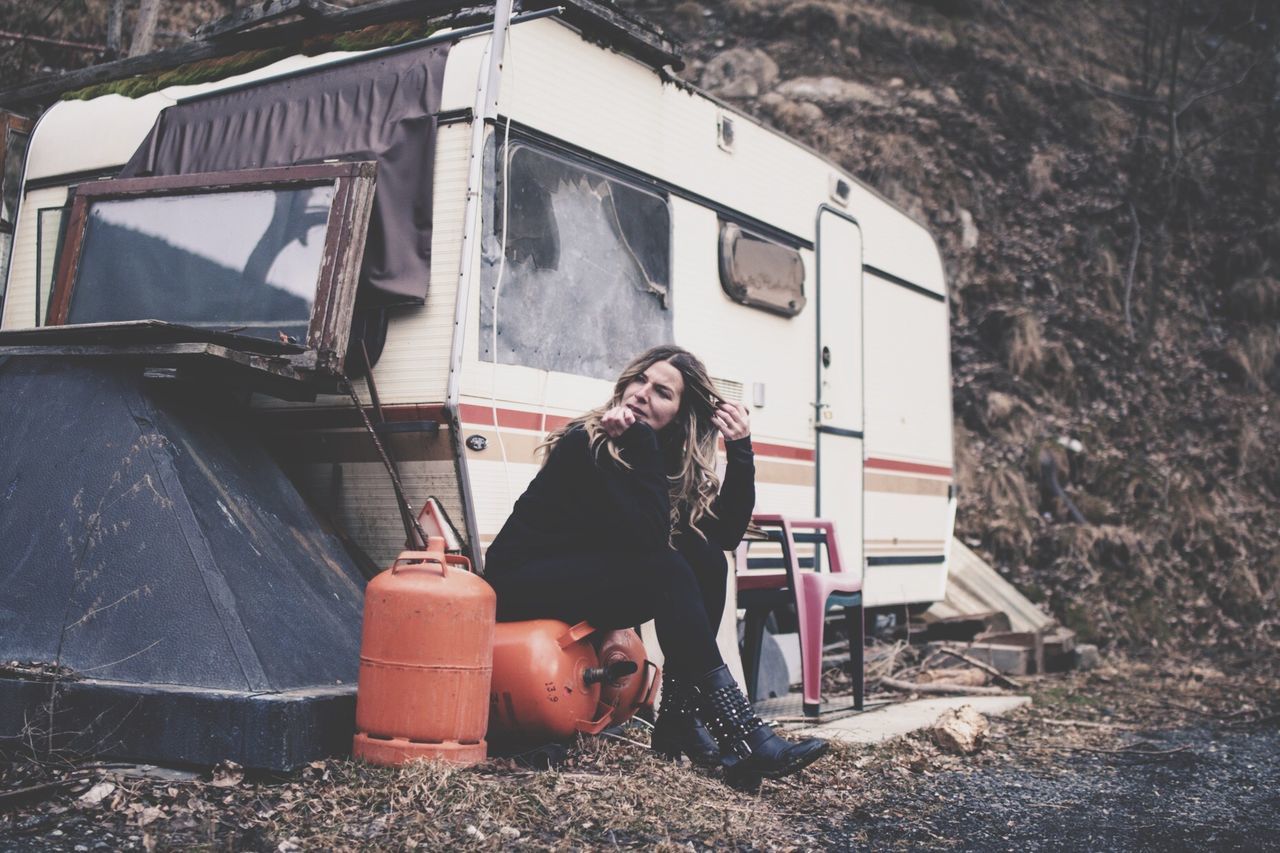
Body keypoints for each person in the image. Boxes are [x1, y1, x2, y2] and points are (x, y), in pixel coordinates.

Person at [484, 345, 828, 785]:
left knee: (705, 558)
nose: (643, 393)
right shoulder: (590, 442)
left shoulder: (658, 455)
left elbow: (721, 538)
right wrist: (640, 442)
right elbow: (647, 544)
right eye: (639, 381)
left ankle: (678, 724)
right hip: (523, 579)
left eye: (662, 392)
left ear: (681, 414)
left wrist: (741, 452)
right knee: (666, 565)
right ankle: (740, 733)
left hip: (583, 580)